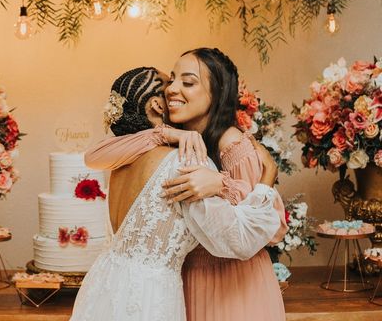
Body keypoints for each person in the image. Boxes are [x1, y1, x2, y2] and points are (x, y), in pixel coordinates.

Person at [86, 50, 287, 321]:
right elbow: (94, 155)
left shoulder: (232, 144)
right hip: (185, 277)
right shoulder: (175, 144)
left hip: (232, 282)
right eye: (171, 81)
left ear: (217, 93)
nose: (172, 89)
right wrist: (163, 132)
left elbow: (272, 230)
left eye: (188, 82)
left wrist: (222, 184)